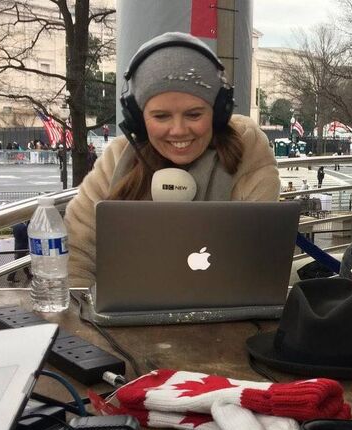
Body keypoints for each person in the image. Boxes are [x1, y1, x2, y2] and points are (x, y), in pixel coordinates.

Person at [64, 32, 281, 287]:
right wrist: (82, 309)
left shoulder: (250, 154)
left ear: (218, 113)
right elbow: (76, 256)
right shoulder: (117, 159)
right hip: (123, 314)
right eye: (161, 116)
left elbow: (256, 264)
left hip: (227, 311)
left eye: (194, 114)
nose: (178, 130)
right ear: (138, 119)